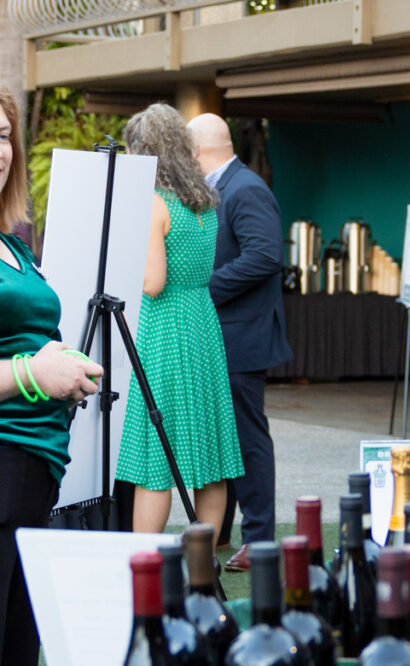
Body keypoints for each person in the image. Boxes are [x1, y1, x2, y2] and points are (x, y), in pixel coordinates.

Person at [0, 85, 104, 666]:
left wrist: (56, 363)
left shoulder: (13, 243)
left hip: (35, 474)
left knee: (18, 655)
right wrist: (34, 372)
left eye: (4, 135)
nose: (0, 150)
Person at [116, 104, 244, 542]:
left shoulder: (153, 204)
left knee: (156, 458)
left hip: (163, 329)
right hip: (202, 325)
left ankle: (145, 565)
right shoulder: (205, 201)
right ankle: (203, 568)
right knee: (211, 455)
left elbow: (152, 283)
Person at [188, 113, 292, 572]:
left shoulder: (245, 188)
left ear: (194, 152)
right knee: (221, 435)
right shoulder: (222, 186)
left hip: (243, 336)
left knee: (248, 439)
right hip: (225, 334)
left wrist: (201, 288)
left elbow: (265, 256)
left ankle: (259, 538)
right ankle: (225, 529)